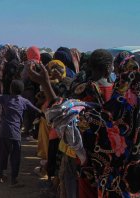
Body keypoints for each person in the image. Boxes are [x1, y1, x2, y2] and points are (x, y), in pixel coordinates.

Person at [28, 49, 140, 197]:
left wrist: (45, 84)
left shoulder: (114, 120)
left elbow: (71, 117)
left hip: (94, 166)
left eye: (122, 78)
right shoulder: (123, 110)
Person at [0, 80, 42, 187]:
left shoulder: (5, 98)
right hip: (16, 134)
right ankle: (14, 180)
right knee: (15, 157)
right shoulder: (24, 101)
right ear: (21, 90)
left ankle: (1, 175)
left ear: (11, 89)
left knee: (3, 154)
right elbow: (37, 110)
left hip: (4, 132)